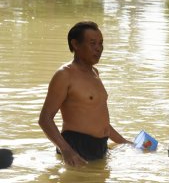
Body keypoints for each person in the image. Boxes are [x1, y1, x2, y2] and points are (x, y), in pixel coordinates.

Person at [39, 21, 132, 167]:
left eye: (101, 43)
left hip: (100, 146)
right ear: (75, 44)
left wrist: (125, 143)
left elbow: (101, 121)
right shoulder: (65, 74)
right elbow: (45, 119)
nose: (98, 48)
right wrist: (66, 150)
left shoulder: (94, 73)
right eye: (92, 43)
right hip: (76, 147)